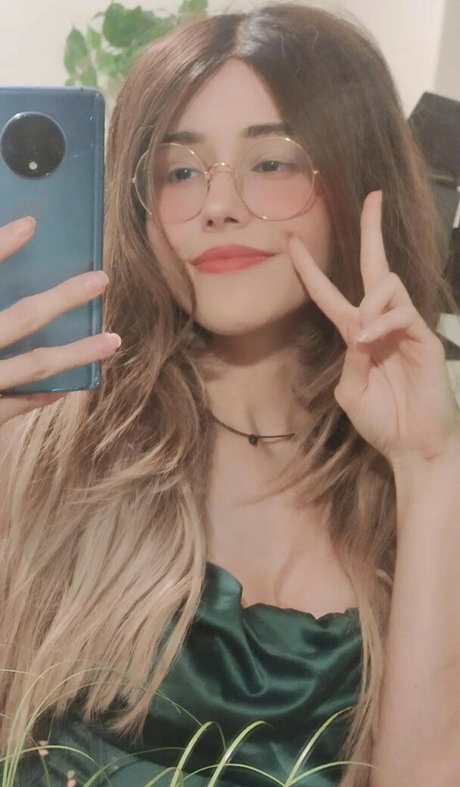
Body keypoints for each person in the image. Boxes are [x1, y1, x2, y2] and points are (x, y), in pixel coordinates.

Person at [1, 3, 459, 786]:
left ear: (358, 179)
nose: (218, 204)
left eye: (271, 163)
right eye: (180, 171)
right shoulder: (51, 440)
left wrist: (429, 468)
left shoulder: (425, 479)